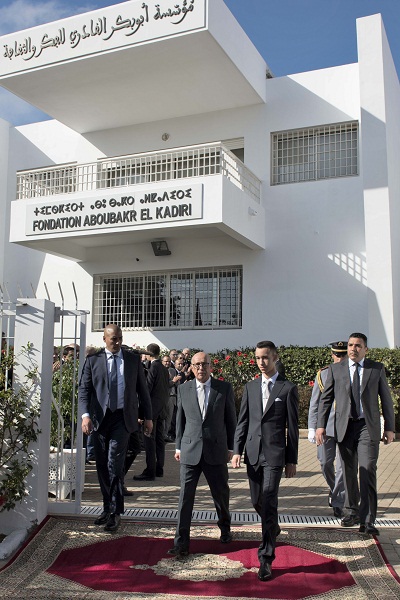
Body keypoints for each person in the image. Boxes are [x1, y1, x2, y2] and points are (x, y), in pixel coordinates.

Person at [232, 340, 299, 582]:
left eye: (266, 358)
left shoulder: (287, 388)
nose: (261, 362)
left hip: (274, 454)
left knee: (269, 498)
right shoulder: (250, 387)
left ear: (275, 357)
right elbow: (243, 421)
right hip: (252, 453)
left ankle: (266, 558)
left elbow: (292, 428)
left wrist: (292, 460)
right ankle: (274, 526)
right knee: (256, 501)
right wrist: (237, 450)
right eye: (258, 358)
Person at [316, 332, 395, 536]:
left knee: (367, 467)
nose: (353, 349)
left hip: (367, 427)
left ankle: (368, 520)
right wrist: (320, 426)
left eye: (358, 345)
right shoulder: (335, 369)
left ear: (365, 349)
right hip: (344, 427)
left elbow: (386, 399)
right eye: (351, 345)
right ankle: (351, 512)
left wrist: (390, 428)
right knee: (348, 471)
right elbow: (326, 400)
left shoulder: (375, 369)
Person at [78, 324, 152, 532]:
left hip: (123, 418)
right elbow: (84, 390)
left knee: (114, 464)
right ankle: (106, 508)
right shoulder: (93, 361)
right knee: (101, 465)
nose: (117, 342)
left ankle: (116, 512)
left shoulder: (131, 360)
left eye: (120, 338)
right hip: (100, 420)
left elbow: (142, 390)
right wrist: (85, 416)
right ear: (105, 339)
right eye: (113, 339)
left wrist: (148, 417)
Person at [168, 351, 237, 557]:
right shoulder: (184, 389)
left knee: (221, 494)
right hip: (190, 450)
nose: (200, 368)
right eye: (196, 365)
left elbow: (231, 421)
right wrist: (178, 446)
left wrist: (232, 449)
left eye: (204, 364)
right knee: (185, 498)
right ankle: (181, 542)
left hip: (216, 450)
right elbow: (179, 420)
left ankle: (225, 529)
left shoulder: (223, 389)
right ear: (191, 367)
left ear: (211, 367)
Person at [308, 341, 347, 518]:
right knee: (324, 463)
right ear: (332, 355)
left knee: (343, 466)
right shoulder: (323, 374)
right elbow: (315, 403)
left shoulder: (353, 373)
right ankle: (334, 490)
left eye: (343, 355)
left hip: (347, 427)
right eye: (337, 355)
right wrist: (312, 427)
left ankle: (338, 501)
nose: (339, 358)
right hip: (325, 427)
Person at [134, 343, 170, 481]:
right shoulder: (164, 368)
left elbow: (147, 390)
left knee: (149, 440)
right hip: (162, 408)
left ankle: (150, 470)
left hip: (152, 410)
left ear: (148, 354)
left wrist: (141, 412)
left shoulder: (154, 367)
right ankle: (159, 468)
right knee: (160, 440)